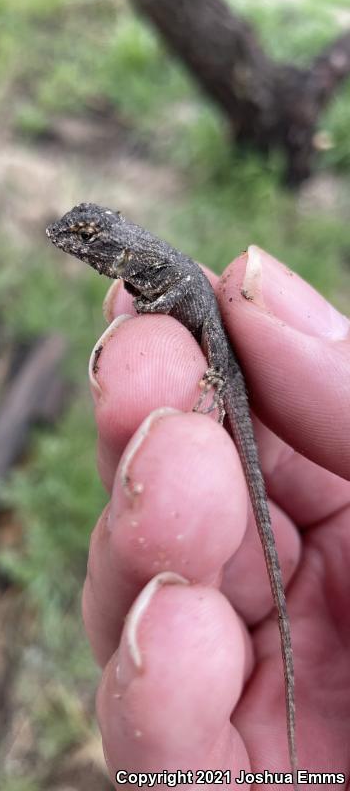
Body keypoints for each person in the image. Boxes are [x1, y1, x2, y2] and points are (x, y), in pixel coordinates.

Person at [82, 245, 350, 783]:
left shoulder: (145, 262)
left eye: (82, 241)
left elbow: (185, 294)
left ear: (106, 249)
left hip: (225, 363)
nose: (76, 248)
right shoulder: (139, 262)